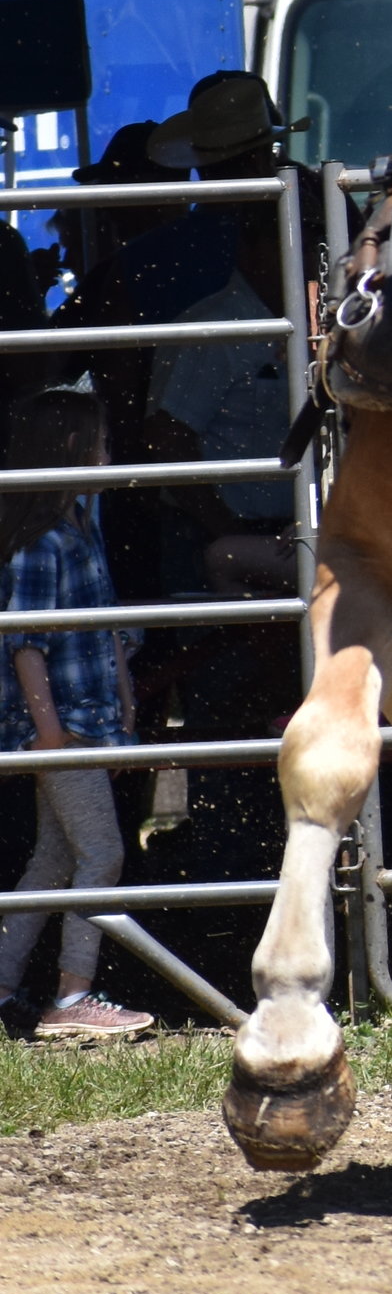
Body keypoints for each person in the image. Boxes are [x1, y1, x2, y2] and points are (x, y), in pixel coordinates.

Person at [0, 391, 154, 1044]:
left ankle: (4, 981)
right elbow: (24, 643)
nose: (108, 456)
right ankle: (72, 995)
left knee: (52, 861)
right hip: (65, 729)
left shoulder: (78, 532)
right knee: (103, 852)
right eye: (100, 444)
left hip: (88, 723)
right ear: (69, 452)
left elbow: (107, 631)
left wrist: (123, 705)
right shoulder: (42, 546)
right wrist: (52, 734)